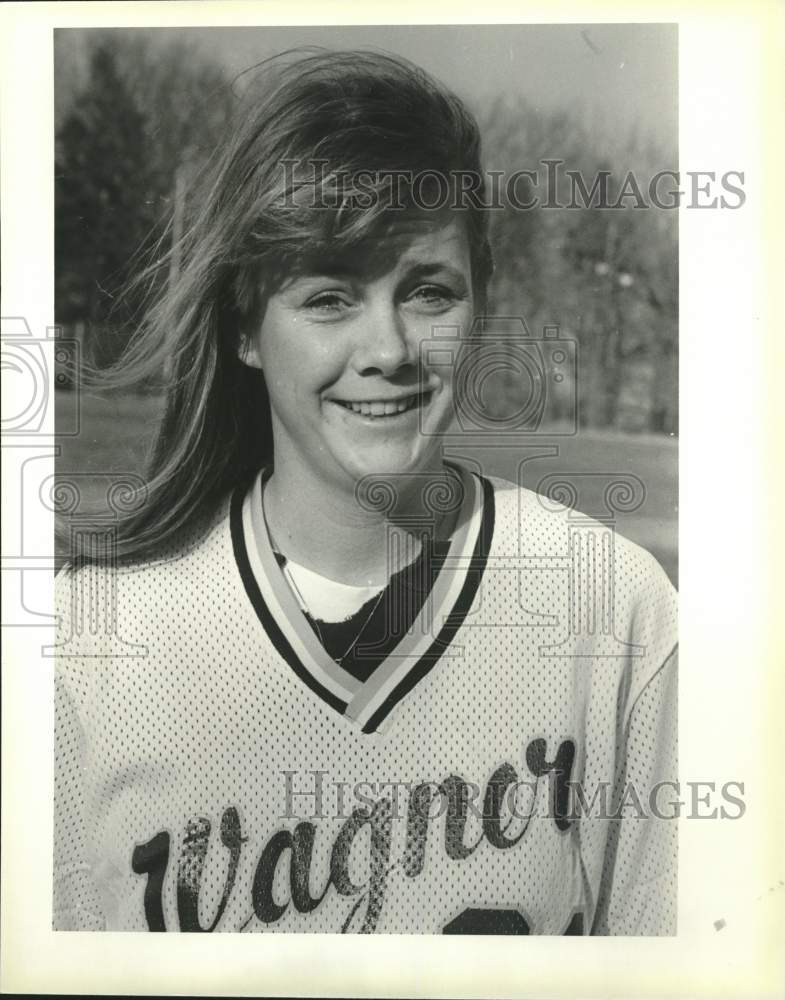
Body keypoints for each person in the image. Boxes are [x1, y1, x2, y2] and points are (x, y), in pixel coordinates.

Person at [53, 48, 677, 934]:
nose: (386, 349)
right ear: (245, 329)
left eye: (428, 293)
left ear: (481, 303)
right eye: (329, 298)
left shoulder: (614, 608)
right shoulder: (87, 640)